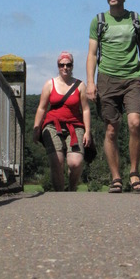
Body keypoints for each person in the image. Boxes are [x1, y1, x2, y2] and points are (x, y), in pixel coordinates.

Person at [86, 0, 140, 193]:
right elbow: (91, 54)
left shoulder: (135, 20)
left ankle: (134, 173)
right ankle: (116, 177)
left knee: (135, 123)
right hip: (107, 79)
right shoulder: (98, 21)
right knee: (111, 129)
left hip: (133, 78)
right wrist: (90, 81)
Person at [33, 52, 91, 192]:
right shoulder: (49, 85)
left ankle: (71, 189)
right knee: (57, 161)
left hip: (74, 126)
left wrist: (87, 132)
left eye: (68, 65)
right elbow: (42, 108)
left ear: (72, 66)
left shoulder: (80, 85)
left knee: (75, 163)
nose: (65, 68)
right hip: (52, 125)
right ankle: (60, 194)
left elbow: (86, 110)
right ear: (58, 66)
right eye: (62, 65)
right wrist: (36, 128)